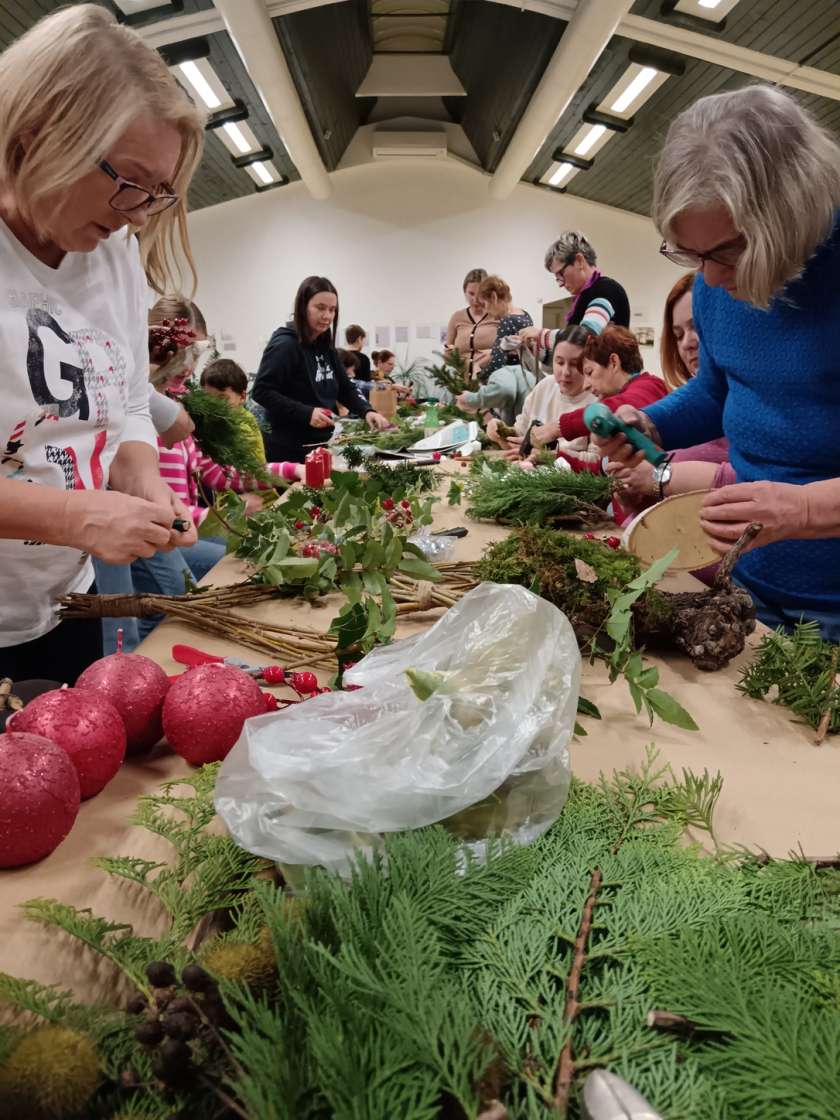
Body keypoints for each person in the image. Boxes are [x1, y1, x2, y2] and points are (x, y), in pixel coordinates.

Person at [0, 4, 203, 682]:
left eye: (157, 194)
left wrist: (143, 479)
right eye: (128, 182)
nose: (138, 216)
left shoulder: (110, 252)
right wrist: (71, 517)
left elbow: (126, 407)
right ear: (41, 130)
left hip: (62, 610)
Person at [595, 85, 840, 638]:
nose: (706, 278)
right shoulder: (713, 282)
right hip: (747, 586)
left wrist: (803, 510)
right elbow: (716, 390)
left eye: (727, 252)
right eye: (689, 254)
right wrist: (650, 422)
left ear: (792, 214)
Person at [606, 274, 728, 510]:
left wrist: (659, 476)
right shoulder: (703, 400)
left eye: (698, 328)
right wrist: (635, 492)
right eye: (678, 334)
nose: (687, 343)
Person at [253, 276, 390, 463]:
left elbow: (345, 387)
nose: (327, 316)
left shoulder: (325, 346)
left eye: (332, 310)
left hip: (319, 445)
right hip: (289, 451)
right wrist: (306, 413)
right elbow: (262, 391)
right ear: (303, 307)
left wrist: (367, 411)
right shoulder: (285, 345)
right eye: (320, 308)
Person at [487, 323, 597, 460]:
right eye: (560, 363)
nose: (566, 372)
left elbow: (598, 462)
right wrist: (500, 431)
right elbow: (520, 435)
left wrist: (546, 456)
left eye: (575, 364)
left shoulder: (597, 400)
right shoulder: (545, 387)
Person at [455, 276, 534, 426]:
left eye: (485, 305)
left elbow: (499, 361)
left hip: (511, 381)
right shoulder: (524, 314)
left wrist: (479, 373)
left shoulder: (507, 321)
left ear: (494, 297)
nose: (486, 311)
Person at [201, 357, 266, 465]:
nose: (214, 405)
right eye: (208, 398)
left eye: (222, 398)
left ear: (242, 397)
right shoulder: (209, 419)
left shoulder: (243, 427)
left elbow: (246, 468)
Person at [445, 268, 499, 375]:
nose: (475, 299)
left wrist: (494, 352)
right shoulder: (457, 317)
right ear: (464, 291)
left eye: (480, 294)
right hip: (460, 382)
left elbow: (510, 349)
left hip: (489, 382)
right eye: (471, 293)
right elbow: (448, 351)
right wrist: (448, 354)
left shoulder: (498, 315)